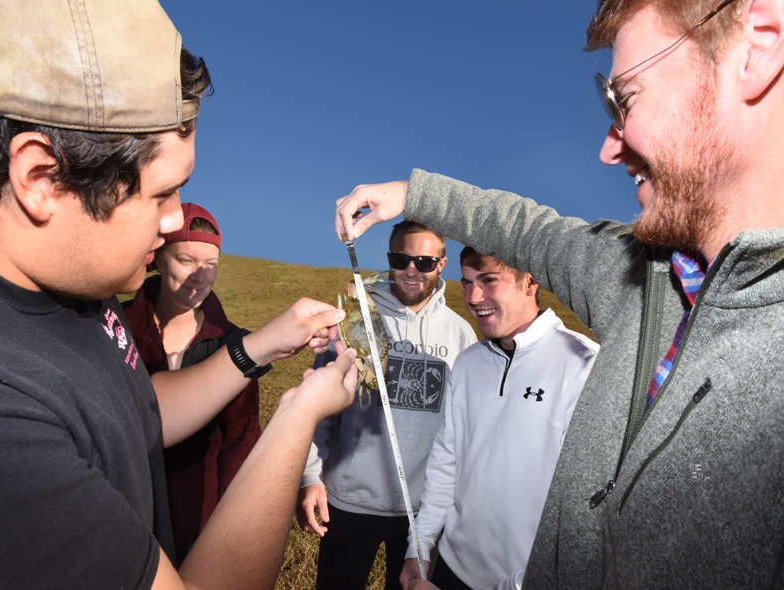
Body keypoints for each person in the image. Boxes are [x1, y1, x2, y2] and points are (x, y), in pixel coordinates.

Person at [335, 0, 784, 587]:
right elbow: (530, 229)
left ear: (757, 45)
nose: (609, 147)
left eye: (627, 99)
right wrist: (410, 194)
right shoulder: (639, 277)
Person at [0, 2, 357, 589]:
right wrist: (299, 412)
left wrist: (257, 347)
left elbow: (137, 412)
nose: (176, 218)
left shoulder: (74, 280)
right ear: (42, 180)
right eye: (162, 195)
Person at [399, 248, 598, 590]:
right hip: (450, 565)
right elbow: (448, 460)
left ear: (530, 282)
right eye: (467, 283)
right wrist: (420, 545)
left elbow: (588, 514)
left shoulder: (583, 364)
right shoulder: (467, 362)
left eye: (489, 280)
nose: (474, 298)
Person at [296, 220, 477, 590]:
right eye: (401, 259)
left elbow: (464, 428)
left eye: (425, 262)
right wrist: (310, 476)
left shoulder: (462, 334)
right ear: (389, 259)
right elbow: (319, 408)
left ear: (442, 264)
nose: (412, 270)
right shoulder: (354, 321)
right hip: (349, 502)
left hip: (422, 513)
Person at [123, 202, 263, 565]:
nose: (200, 276)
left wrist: (229, 540)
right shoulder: (117, 326)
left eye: (211, 265)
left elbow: (240, 444)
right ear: (158, 258)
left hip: (194, 531)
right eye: (186, 260)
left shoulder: (232, 346)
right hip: (119, 519)